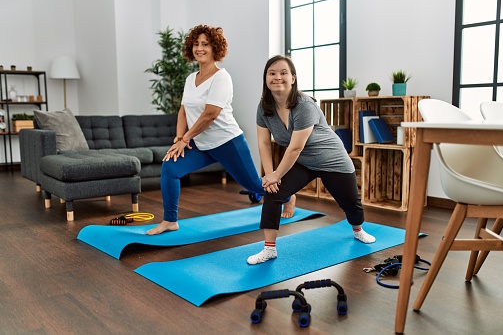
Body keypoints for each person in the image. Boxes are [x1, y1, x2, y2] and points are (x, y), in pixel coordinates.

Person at [146, 25, 296, 236]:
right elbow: (183, 110)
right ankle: (170, 220)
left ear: (215, 48)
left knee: (254, 185)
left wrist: (186, 138)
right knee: (170, 168)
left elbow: (211, 114)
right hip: (202, 144)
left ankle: (288, 197)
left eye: (205, 44)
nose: (200, 48)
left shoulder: (221, 78)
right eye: (196, 44)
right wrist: (179, 138)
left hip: (228, 142)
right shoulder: (191, 79)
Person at [247, 55, 376, 264]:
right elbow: (263, 143)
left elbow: (295, 147)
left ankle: (358, 228)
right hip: (304, 163)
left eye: (283, 73)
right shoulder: (264, 108)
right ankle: (269, 248)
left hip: (332, 160)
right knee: (273, 192)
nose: (277, 77)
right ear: (266, 79)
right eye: (272, 73)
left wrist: (276, 174)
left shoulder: (304, 105)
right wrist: (271, 176)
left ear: (293, 78)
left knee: (351, 204)